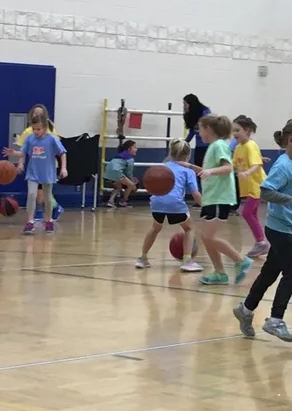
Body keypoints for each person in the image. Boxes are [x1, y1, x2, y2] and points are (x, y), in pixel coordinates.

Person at [233, 119, 292, 343]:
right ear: (291, 141)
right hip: (278, 228)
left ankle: (245, 309)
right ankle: (275, 320)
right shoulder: (283, 165)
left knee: (270, 272)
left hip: (288, 228)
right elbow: (265, 191)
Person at [193, 115, 253, 286]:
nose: (199, 132)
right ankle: (220, 273)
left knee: (209, 236)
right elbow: (209, 170)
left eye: (201, 129)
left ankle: (240, 260)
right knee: (206, 237)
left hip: (220, 198)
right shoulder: (213, 146)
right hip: (211, 198)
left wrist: (210, 172)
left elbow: (228, 167)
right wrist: (191, 167)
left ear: (209, 129)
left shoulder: (219, 145)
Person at [135, 138, 201, 271]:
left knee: (155, 228)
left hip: (156, 201)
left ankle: (142, 258)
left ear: (171, 153)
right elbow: (195, 194)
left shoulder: (162, 167)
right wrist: (205, 206)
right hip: (174, 203)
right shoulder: (188, 172)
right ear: (188, 155)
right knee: (189, 228)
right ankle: (187, 260)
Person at [3, 103, 62, 222]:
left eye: (40, 113)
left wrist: (62, 166)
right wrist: (20, 163)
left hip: (48, 164)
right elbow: (23, 150)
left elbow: (59, 149)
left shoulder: (50, 130)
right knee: (36, 191)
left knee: (44, 191)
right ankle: (41, 212)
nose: (38, 115)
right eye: (35, 113)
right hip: (35, 163)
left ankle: (46, 211)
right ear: (32, 115)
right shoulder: (28, 132)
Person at [14, 108, 67, 235]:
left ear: (44, 128)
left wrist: (64, 168)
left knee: (47, 198)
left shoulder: (52, 139)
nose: (36, 132)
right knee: (31, 195)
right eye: (34, 129)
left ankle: (48, 220)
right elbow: (23, 152)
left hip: (47, 171)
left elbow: (63, 153)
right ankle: (30, 222)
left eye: (38, 129)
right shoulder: (29, 138)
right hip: (33, 172)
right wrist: (15, 154)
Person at [232, 115, 269, 259]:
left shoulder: (251, 145)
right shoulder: (238, 147)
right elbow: (234, 164)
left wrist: (247, 172)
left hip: (256, 185)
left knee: (247, 213)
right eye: (233, 130)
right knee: (251, 213)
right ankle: (260, 242)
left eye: (237, 130)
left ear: (247, 130)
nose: (235, 133)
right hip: (247, 186)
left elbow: (256, 164)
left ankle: (261, 242)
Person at [103, 139, 138, 208]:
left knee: (118, 187)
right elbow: (129, 173)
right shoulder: (130, 159)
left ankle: (110, 201)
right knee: (131, 185)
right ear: (129, 149)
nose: (137, 149)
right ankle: (123, 201)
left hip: (107, 173)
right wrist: (132, 182)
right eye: (135, 147)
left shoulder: (120, 155)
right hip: (116, 173)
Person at [182, 94, 210, 171]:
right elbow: (192, 131)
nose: (184, 107)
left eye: (185, 104)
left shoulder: (205, 113)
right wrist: (185, 142)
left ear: (191, 104)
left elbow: (210, 128)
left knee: (206, 168)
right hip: (199, 146)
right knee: (198, 168)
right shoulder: (192, 115)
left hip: (208, 145)